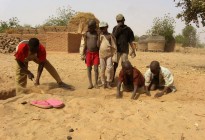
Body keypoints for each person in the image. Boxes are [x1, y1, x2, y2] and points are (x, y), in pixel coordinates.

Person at [112, 14, 136, 82]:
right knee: (115, 65)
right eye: (118, 21)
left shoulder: (128, 29)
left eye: (121, 21)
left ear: (123, 20)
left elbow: (131, 41)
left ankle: (125, 79)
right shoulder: (115, 28)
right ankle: (112, 78)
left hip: (125, 50)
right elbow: (113, 37)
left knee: (124, 65)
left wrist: (133, 50)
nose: (120, 22)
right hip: (117, 50)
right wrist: (117, 28)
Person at [80, 19, 99, 89]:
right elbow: (84, 44)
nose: (89, 28)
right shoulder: (86, 34)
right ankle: (90, 83)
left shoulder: (97, 34)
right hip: (88, 53)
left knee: (96, 69)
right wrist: (83, 54)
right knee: (89, 68)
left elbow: (98, 44)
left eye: (91, 27)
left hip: (96, 54)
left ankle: (96, 83)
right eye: (89, 27)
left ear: (94, 27)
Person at [99, 21, 117, 88]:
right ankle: (103, 83)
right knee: (102, 69)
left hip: (109, 55)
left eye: (103, 28)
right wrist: (98, 36)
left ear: (107, 27)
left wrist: (114, 55)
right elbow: (98, 45)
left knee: (109, 68)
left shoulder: (110, 36)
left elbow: (114, 45)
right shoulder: (100, 36)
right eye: (101, 28)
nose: (102, 29)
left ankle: (109, 82)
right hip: (101, 55)